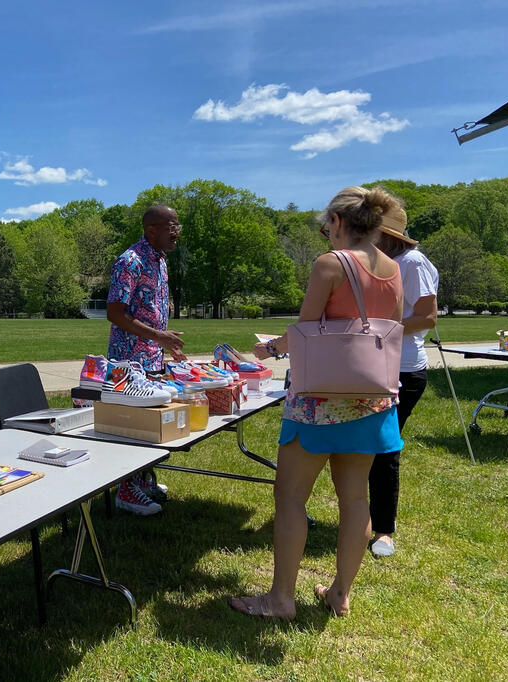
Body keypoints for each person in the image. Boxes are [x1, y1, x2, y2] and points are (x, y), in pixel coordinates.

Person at [229, 186, 404, 619]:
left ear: (340, 222)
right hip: (370, 400)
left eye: (327, 226)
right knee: (355, 500)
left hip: (319, 402)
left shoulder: (330, 264)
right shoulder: (393, 269)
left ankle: (281, 599)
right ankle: (340, 593)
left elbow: (306, 331)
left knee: (290, 498)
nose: (327, 234)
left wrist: (269, 348)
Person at [106, 204, 187, 515]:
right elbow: (115, 313)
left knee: (150, 425)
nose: (176, 233)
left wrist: (165, 344)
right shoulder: (130, 262)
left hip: (151, 358)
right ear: (151, 230)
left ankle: (140, 480)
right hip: (127, 363)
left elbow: (149, 312)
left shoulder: (160, 261)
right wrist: (159, 337)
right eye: (171, 226)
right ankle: (125, 491)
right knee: (131, 427)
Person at [368, 206, 438, 557]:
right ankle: (370, 520)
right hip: (381, 366)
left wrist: (378, 327)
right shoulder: (387, 263)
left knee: (384, 449)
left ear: (387, 235)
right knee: (370, 447)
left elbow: (427, 317)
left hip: (404, 371)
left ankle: (384, 531)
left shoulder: (412, 262)